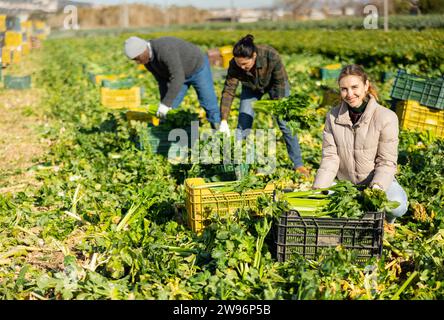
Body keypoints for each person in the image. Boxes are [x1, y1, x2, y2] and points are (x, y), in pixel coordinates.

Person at [312, 64, 408, 227]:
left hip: (375, 183)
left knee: (397, 205)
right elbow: (330, 158)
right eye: (344, 89)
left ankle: (388, 222)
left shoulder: (386, 117)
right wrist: (319, 187)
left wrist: (376, 189)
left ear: (366, 85)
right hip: (346, 185)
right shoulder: (333, 116)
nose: (349, 94)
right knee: (319, 202)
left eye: (354, 87)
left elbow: (386, 162)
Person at [218, 34, 309, 176]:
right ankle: (239, 162)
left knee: (285, 123)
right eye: (238, 64)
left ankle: (298, 164)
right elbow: (229, 91)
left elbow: (280, 83)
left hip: (275, 85)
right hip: (251, 88)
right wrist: (223, 119)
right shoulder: (235, 66)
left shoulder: (270, 55)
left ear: (254, 56)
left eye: (245, 64)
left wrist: (276, 106)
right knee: (243, 122)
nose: (241, 67)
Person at [124, 36, 221, 129]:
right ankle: (167, 135)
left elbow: (178, 77)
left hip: (197, 68)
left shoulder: (164, 49)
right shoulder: (147, 61)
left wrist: (166, 104)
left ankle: (219, 130)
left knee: (208, 102)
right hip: (179, 75)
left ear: (143, 50)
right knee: (171, 107)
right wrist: (164, 103)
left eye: (137, 58)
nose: (137, 62)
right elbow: (162, 81)